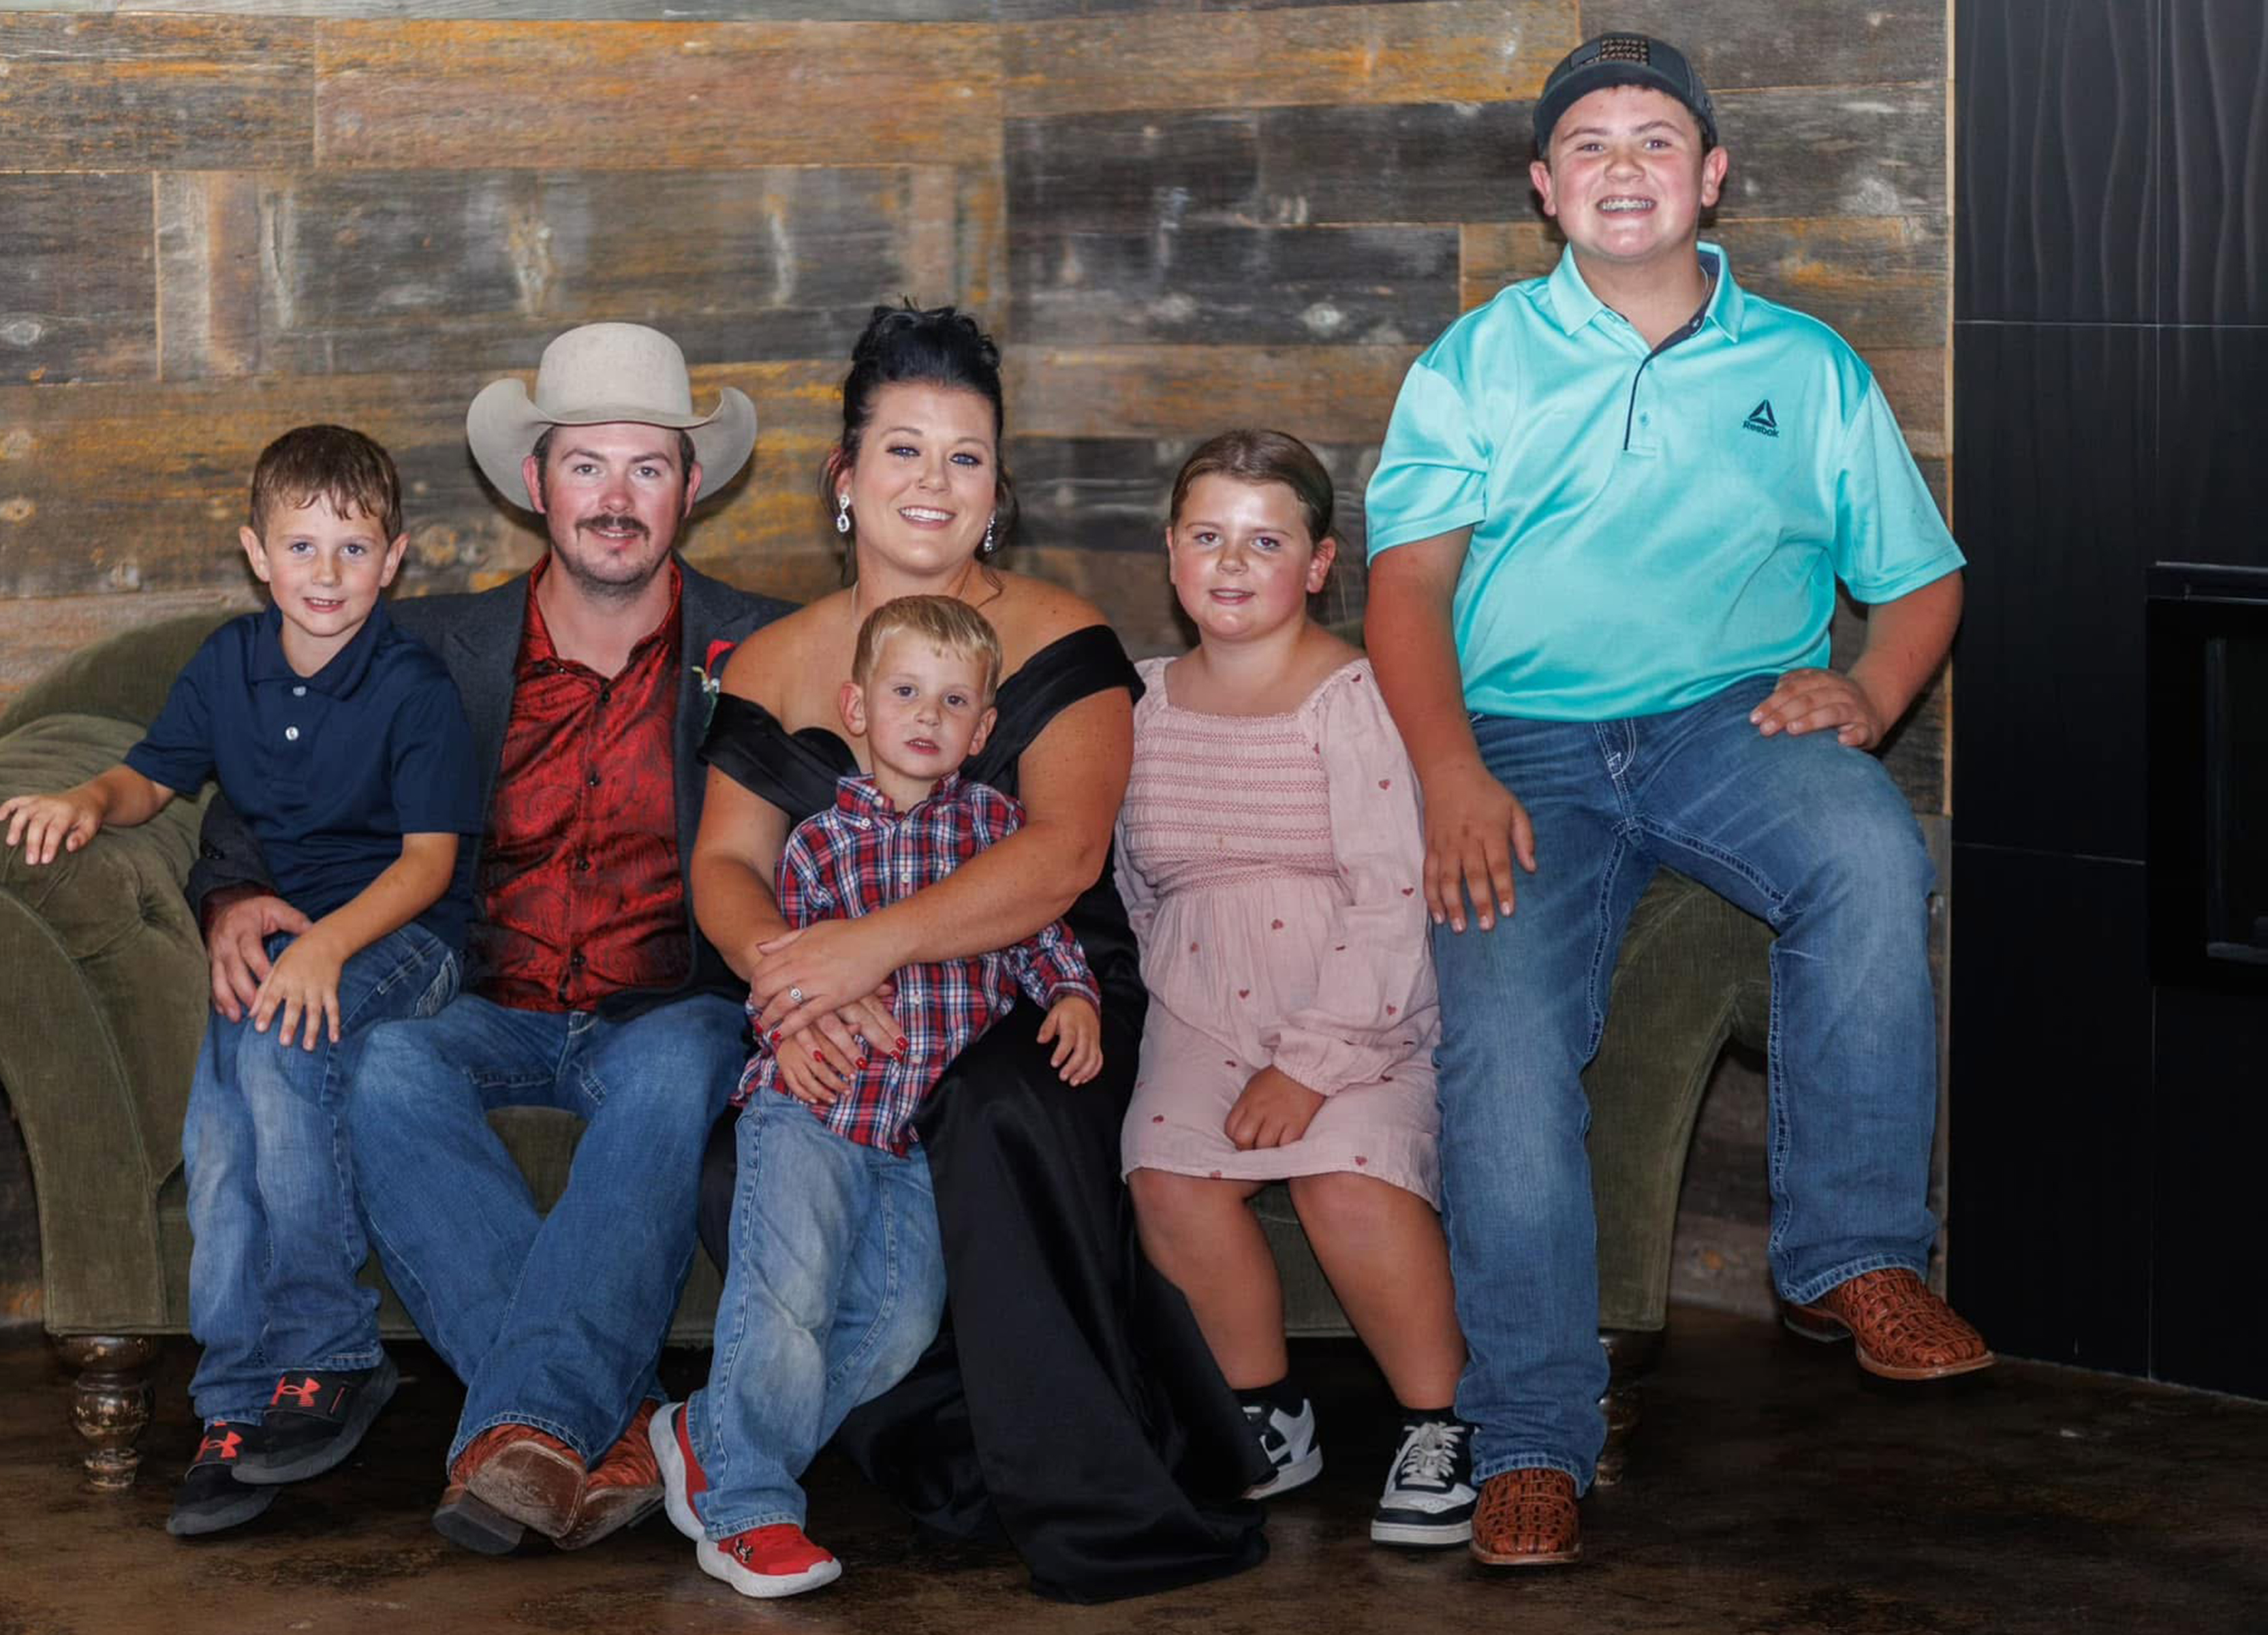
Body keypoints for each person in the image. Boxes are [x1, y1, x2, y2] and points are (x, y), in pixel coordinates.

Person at [1361, 33, 1987, 1568]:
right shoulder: (1475, 364)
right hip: (1524, 745)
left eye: (1655, 139)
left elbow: (1922, 580)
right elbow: (1406, 590)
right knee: (1503, 1045)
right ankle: (1531, 1441)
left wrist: (1871, 692)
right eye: (1589, 143)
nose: (1622, 165)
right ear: (1544, 186)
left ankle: (1851, 1256)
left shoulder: (1807, 367)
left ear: (1711, 177)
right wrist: (1449, 772)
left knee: (1866, 842)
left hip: (1730, 720)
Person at [689, 302, 1268, 1602]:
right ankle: (839, 1446)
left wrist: (861, 953)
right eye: (903, 449)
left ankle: (1073, 1482)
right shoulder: (775, 660)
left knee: (1002, 1107)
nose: (933, 483)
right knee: (749, 1151)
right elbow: (726, 864)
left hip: (1038, 983)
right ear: (845, 476)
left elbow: (1063, 856)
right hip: (836, 988)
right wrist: (795, 984)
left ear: (997, 492)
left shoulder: (1063, 636)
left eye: (966, 458)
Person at [187, 324, 785, 1555]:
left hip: (665, 1003)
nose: (615, 498)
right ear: (535, 484)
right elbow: (283, 767)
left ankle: (530, 1429)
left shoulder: (767, 648)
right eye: (586, 466)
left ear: (690, 488)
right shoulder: (431, 649)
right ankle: (614, 1429)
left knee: (681, 1064)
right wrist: (234, 891)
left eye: (648, 468)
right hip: (483, 996)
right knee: (383, 1064)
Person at [0, 425, 479, 1537]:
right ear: (257, 554)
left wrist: (326, 947)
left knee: (278, 1043)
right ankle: (235, 1404)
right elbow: (151, 777)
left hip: (403, 938)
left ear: (395, 558)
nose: (327, 574)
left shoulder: (413, 687)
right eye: (301, 547)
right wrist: (87, 801)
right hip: (282, 942)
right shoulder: (230, 663)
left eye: (353, 549)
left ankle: (330, 1350)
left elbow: (429, 866)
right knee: (218, 1136)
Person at [653, 595, 1104, 1599]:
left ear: (983, 730)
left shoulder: (997, 832)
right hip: (810, 1106)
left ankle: (707, 1437)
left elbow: (1039, 934)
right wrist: (789, 1023)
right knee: (789, 1299)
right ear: (857, 708)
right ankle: (749, 1512)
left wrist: (1074, 996)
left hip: (914, 1133)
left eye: (954, 701)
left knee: (899, 1323)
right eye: (905, 692)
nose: (928, 715)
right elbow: (776, 964)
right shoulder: (817, 843)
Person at [1117, 431, 1474, 1548]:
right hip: (1197, 1000)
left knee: (1343, 1178)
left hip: (1353, 1001)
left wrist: (1311, 1065)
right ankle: (1264, 1410)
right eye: (1208, 536)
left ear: (1319, 565)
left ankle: (1441, 1420)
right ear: (1171, 552)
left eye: (1265, 542)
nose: (1231, 562)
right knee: (1167, 1174)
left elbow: (1393, 892)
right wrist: (1171, 991)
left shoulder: (1354, 696)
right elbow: (1134, 882)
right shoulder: (1140, 703)